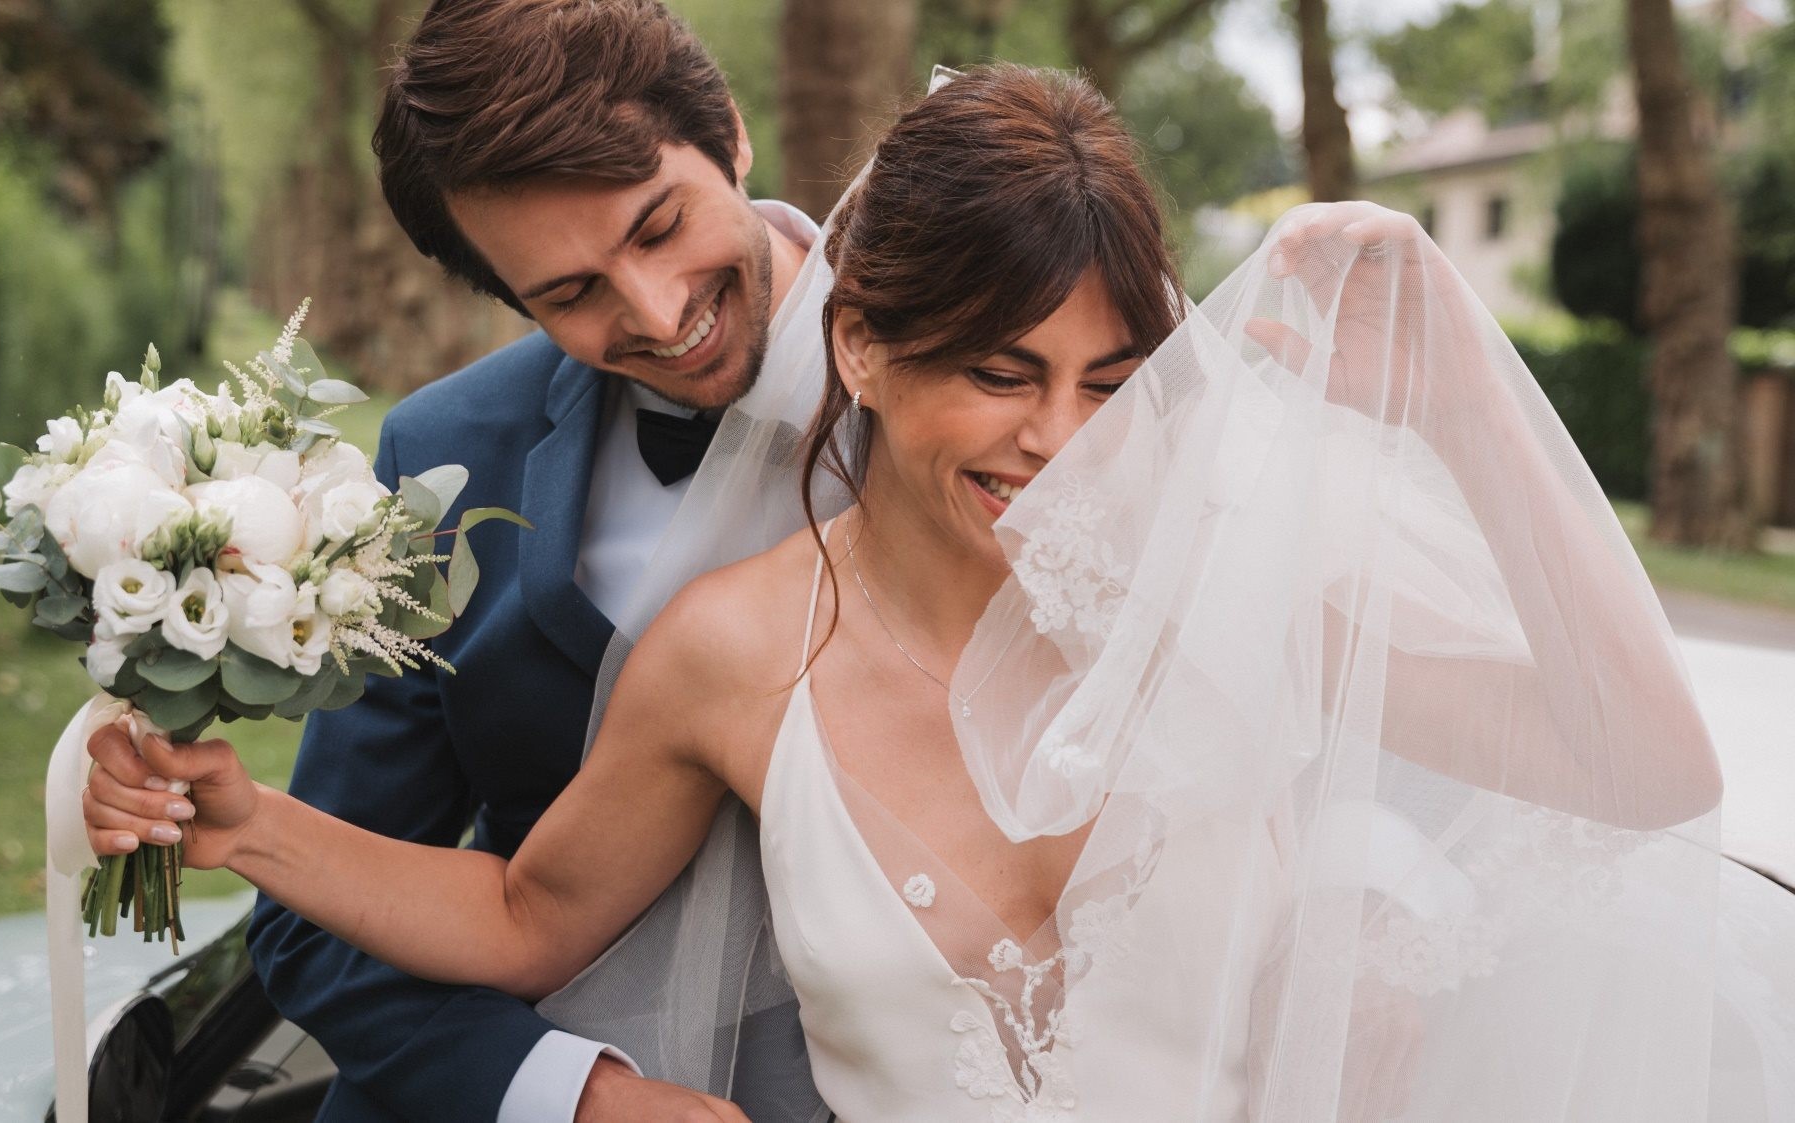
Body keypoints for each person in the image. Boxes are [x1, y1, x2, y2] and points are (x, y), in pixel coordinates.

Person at [92, 65, 1794, 1120]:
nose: (1061, 437)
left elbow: (1650, 772)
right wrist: (238, 821)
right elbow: (531, 916)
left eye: (1115, 379)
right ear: (866, 347)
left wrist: (1458, 406)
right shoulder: (732, 653)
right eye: (1000, 370)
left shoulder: (1248, 592)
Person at [239, 1, 815, 1119]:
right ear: (507, 299)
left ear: (730, 134)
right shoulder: (443, 459)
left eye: (657, 226)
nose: (657, 314)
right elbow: (317, 919)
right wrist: (574, 1100)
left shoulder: (998, 374)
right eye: (569, 293)